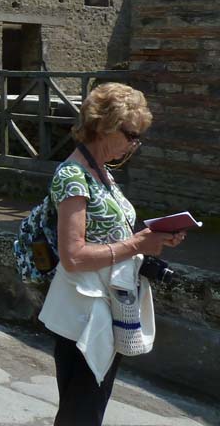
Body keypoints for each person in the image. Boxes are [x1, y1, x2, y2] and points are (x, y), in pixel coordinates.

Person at [39, 83, 185, 426]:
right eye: (131, 133)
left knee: (87, 409)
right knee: (81, 413)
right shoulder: (73, 176)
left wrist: (153, 238)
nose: (135, 143)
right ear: (105, 125)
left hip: (107, 303)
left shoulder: (102, 172)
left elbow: (111, 236)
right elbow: (73, 256)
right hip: (83, 312)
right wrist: (137, 245)